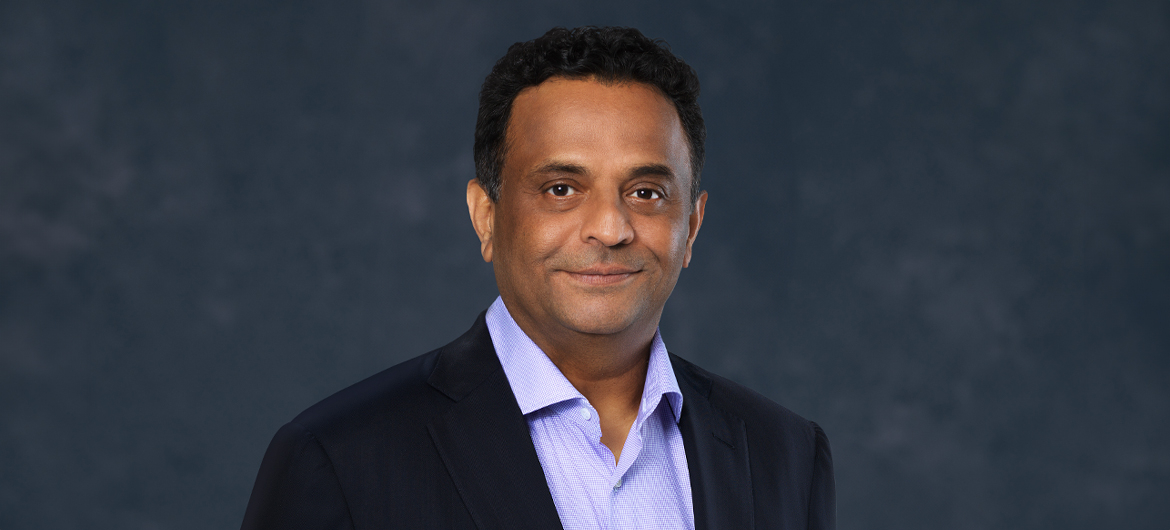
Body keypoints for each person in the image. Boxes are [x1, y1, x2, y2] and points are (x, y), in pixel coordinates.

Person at [241, 26, 834, 530]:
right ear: (486, 216)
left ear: (692, 227)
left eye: (646, 192)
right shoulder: (340, 459)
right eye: (561, 189)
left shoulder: (784, 454)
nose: (610, 228)